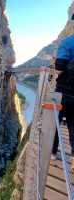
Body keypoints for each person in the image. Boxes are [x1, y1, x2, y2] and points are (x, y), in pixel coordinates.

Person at [52, 34, 74, 171]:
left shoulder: (68, 41)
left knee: (55, 123)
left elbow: (59, 65)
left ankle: (53, 152)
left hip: (63, 92)